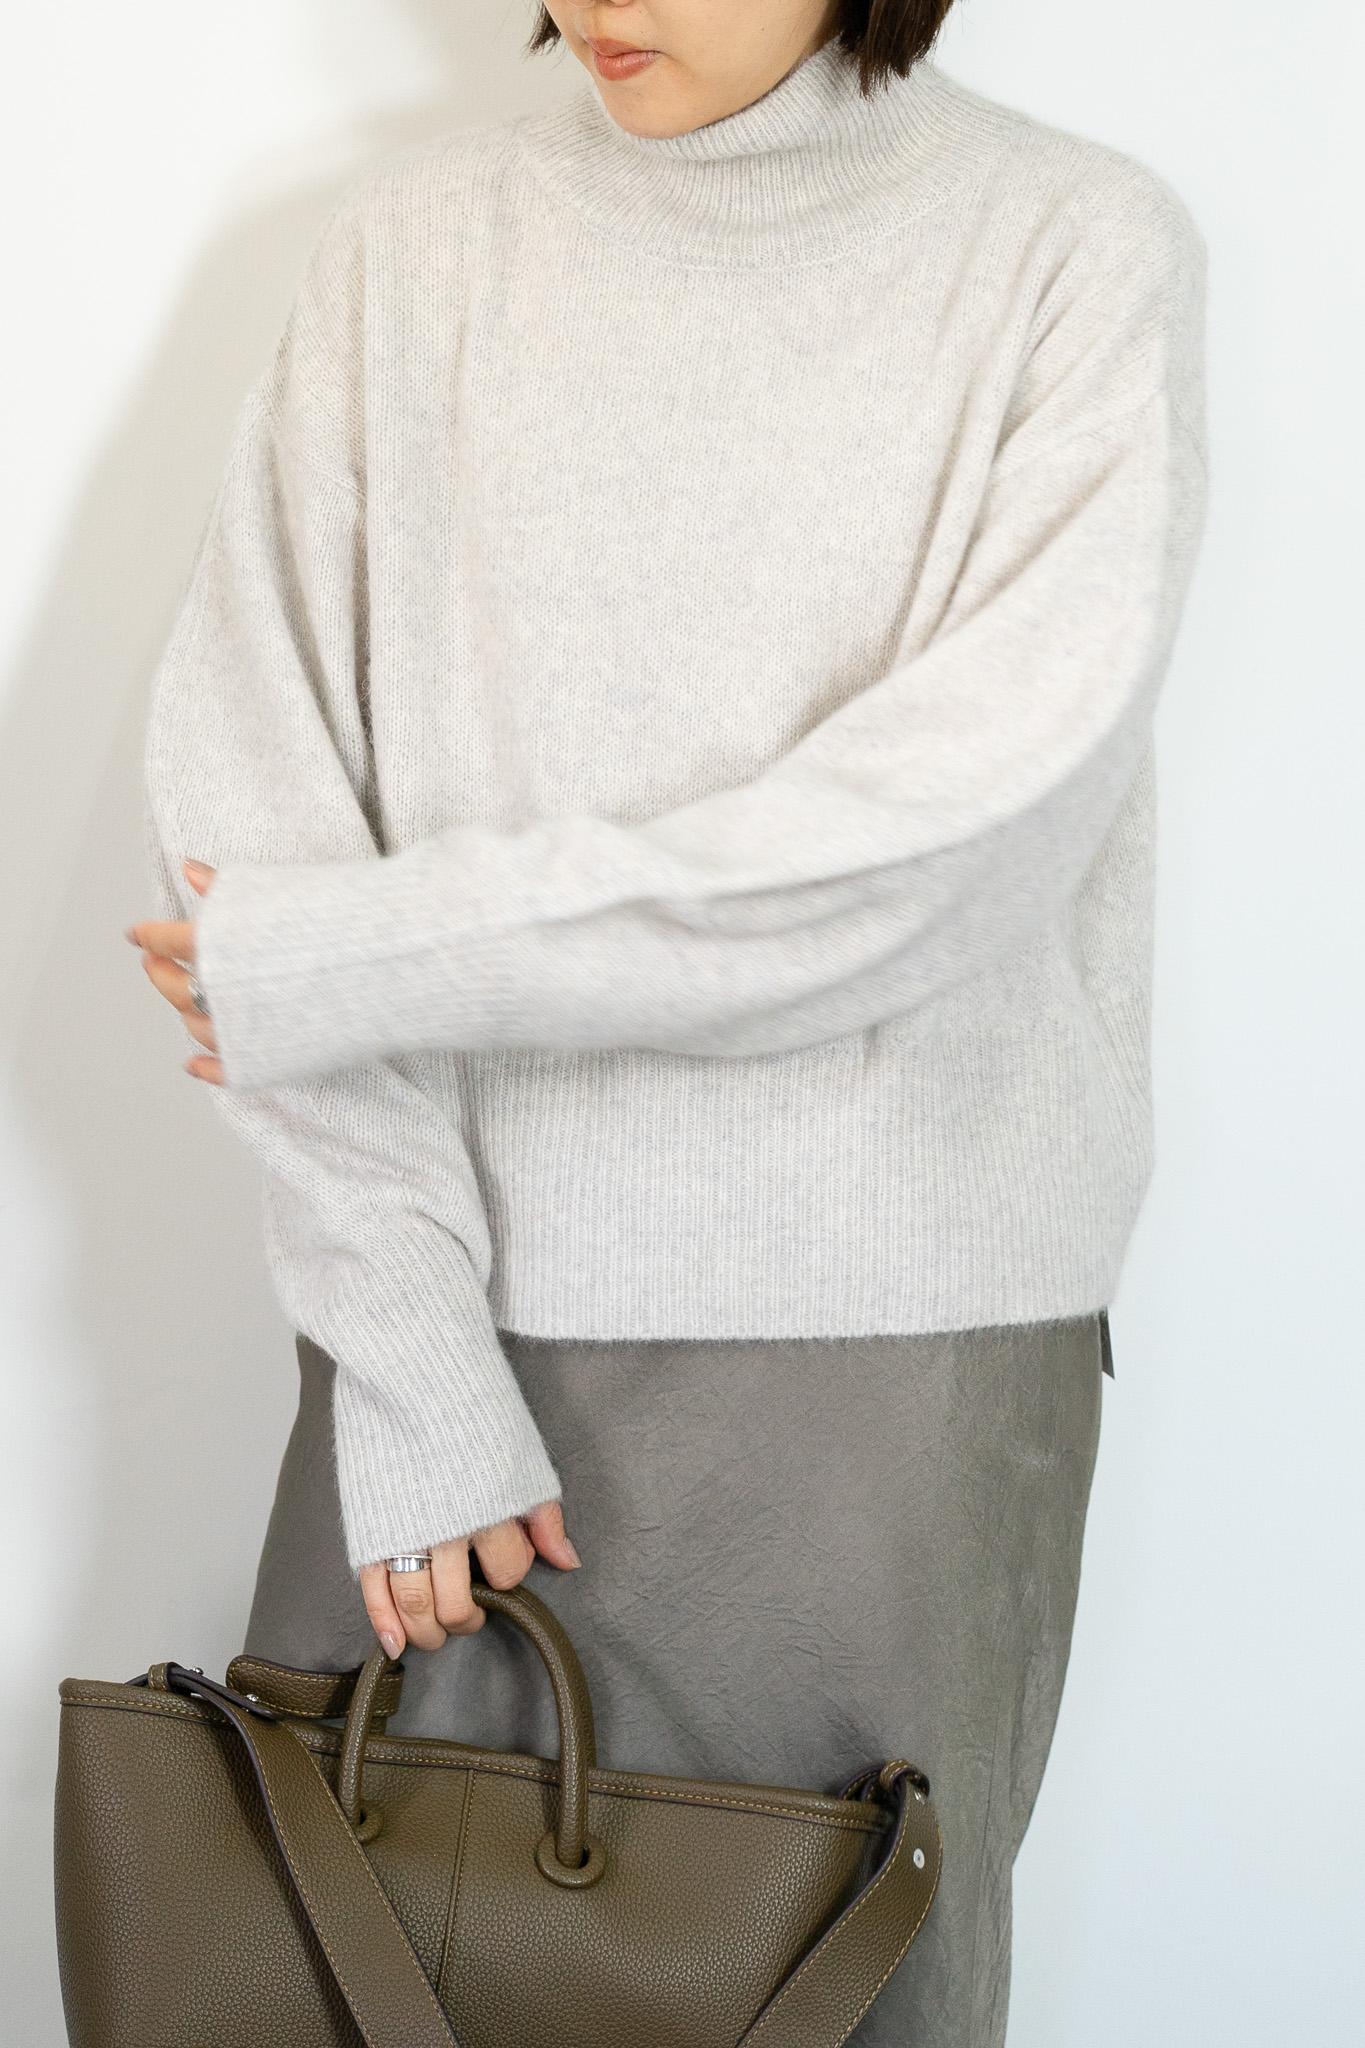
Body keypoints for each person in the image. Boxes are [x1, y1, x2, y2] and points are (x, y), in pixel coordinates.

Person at [127, 3, 1207, 2039]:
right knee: (344, 1981)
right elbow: (248, 817)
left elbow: (941, 853)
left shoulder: (1069, 244)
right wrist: (404, 1339)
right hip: (443, 1322)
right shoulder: (406, 251)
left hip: (891, 1374)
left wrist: (361, 955)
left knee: (838, 2000)